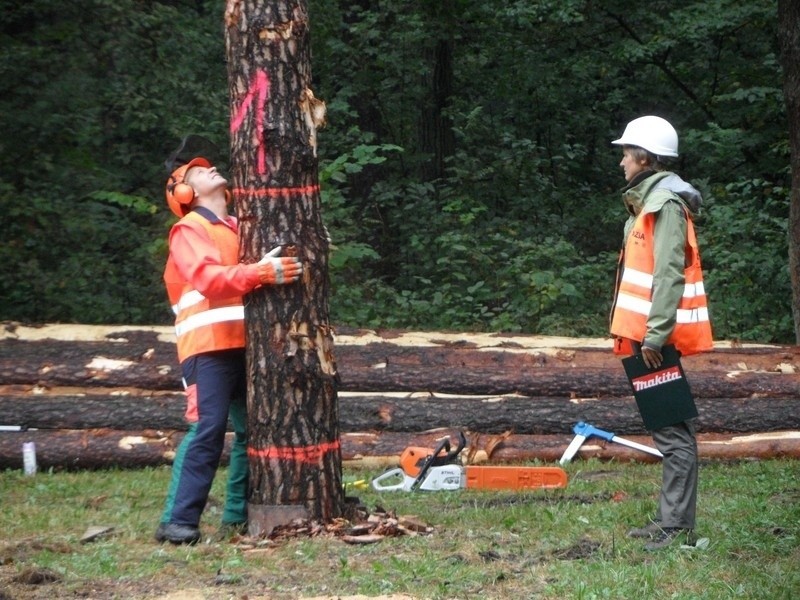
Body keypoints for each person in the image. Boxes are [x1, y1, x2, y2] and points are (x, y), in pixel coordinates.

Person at [155, 156, 303, 545]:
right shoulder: (189, 228)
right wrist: (260, 273)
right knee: (207, 428)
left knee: (252, 433)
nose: (209, 169)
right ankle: (177, 521)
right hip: (207, 348)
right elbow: (206, 278)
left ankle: (236, 518)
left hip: (248, 347)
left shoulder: (242, 227)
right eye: (196, 172)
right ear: (184, 193)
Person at [609, 116, 713, 551]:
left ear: (645, 158)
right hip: (645, 337)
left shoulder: (663, 205)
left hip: (654, 340)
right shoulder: (650, 203)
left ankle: (675, 529)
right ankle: (672, 521)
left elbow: (669, 273)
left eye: (626, 154)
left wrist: (655, 335)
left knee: (673, 432)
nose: (621, 163)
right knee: (670, 428)